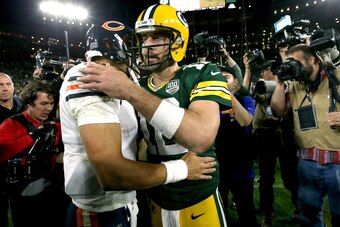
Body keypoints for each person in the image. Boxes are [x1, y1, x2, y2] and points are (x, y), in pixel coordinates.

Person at [77, 4, 232, 226]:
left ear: (178, 41)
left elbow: (201, 137)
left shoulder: (203, 72)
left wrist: (130, 91)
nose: (147, 46)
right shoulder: (137, 84)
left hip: (197, 196)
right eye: (143, 39)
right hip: (154, 196)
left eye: (157, 37)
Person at [271, 44, 340, 227]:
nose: (292, 66)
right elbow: (277, 111)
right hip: (307, 159)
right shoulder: (295, 85)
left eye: (296, 62)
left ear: (312, 60)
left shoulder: (337, 76)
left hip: (337, 160)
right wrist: (279, 82)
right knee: (308, 215)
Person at [0, 80, 69, 227]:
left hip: (54, 190)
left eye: (51, 104)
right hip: (24, 193)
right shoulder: (11, 124)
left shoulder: (55, 125)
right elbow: (2, 152)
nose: (48, 109)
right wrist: (34, 135)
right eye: (43, 104)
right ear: (29, 103)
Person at [252, 60, 299, 227]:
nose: (268, 72)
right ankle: (267, 214)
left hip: (286, 135)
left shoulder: (289, 85)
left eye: (271, 70)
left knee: (290, 176)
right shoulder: (260, 84)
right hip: (265, 135)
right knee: (266, 178)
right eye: (267, 70)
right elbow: (261, 96)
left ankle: (298, 208)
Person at [214, 65, 257, 226]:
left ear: (235, 83)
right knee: (220, 209)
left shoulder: (245, 99)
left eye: (225, 77)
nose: (221, 81)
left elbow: (246, 120)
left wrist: (228, 95)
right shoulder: (211, 103)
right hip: (219, 164)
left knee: (246, 210)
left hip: (241, 165)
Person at [0, 72, 25, 227]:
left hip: (25, 171)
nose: (5, 88)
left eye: (8, 84)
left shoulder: (23, 104)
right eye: (0, 85)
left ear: (13, 86)